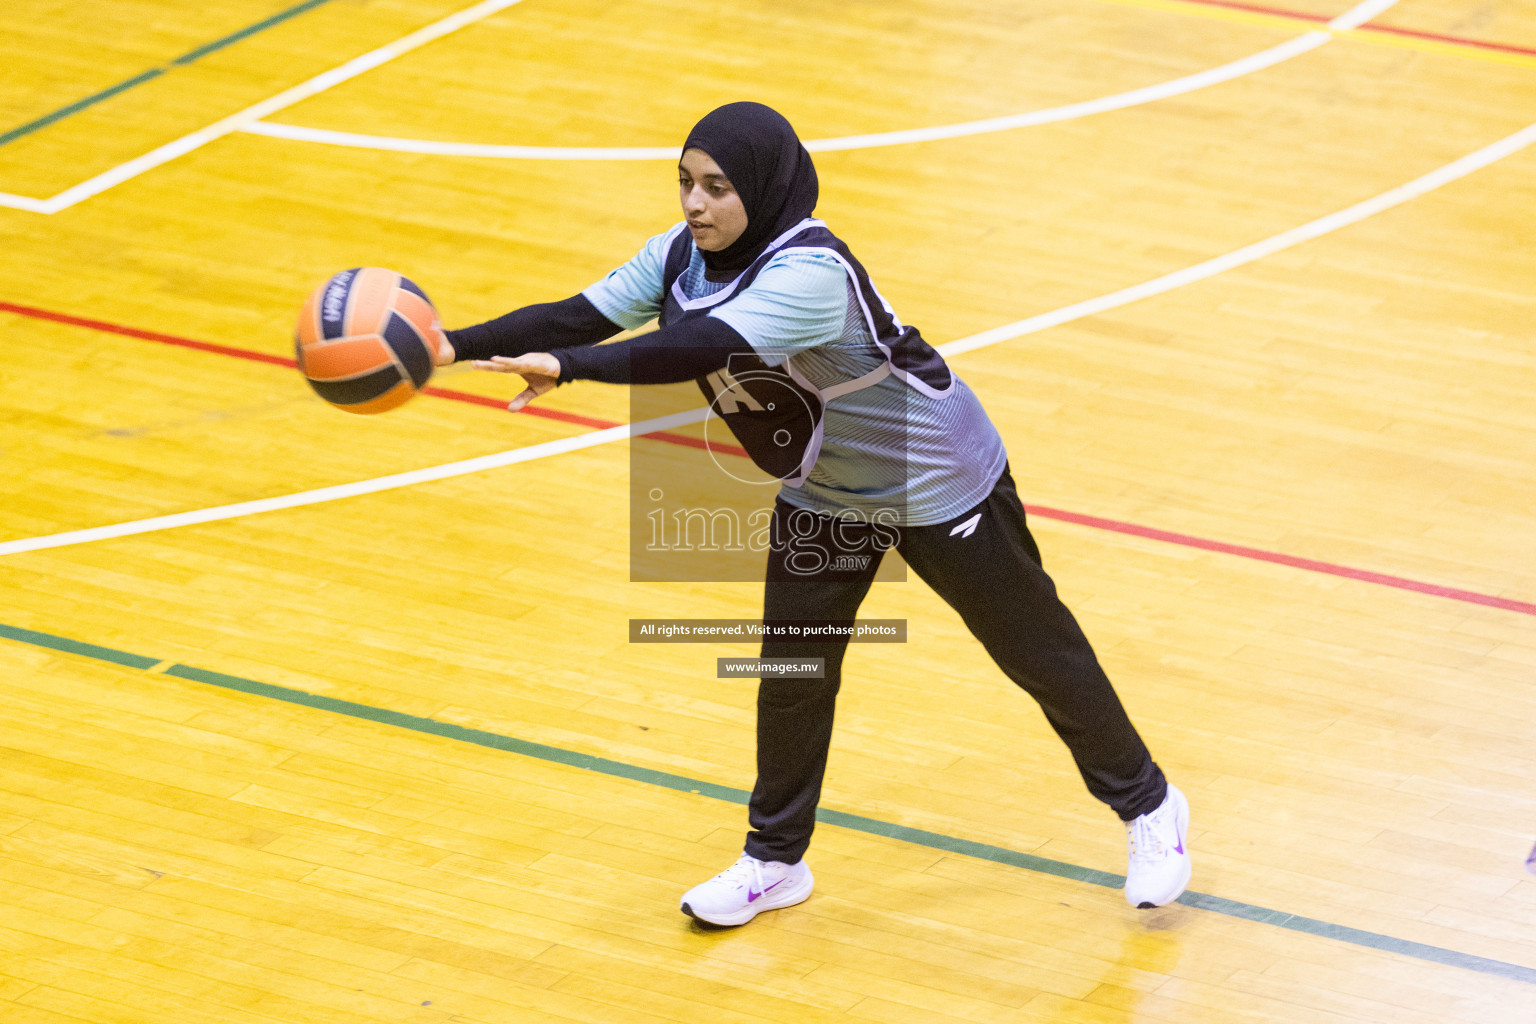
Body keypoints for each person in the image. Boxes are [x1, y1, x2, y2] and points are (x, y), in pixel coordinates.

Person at [439, 101, 1191, 926]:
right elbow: (578, 314)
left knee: (1034, 649)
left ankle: (1150, 808)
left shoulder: (808, 274)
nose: (695, 204)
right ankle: (774, 859)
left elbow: (696, 348)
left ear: (762, 189)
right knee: (793, 673)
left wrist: (569, 368)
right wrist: (447, 344)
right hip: (826, 487)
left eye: (718, 188)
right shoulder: (679, 259)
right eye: (685, 183)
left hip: (934, 474)